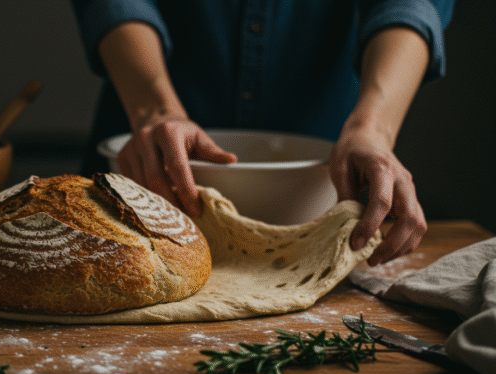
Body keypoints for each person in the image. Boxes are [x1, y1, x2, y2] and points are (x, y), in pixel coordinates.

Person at [71, 0, 455, 266]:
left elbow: (410, 4)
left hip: (318, 183)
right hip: (148, 158)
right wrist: (155, 110)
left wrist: (373, 128)